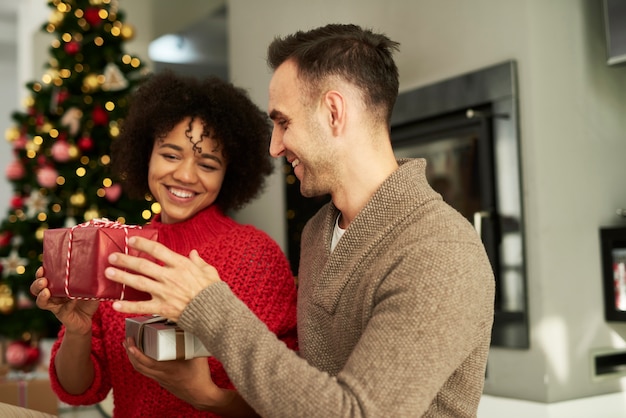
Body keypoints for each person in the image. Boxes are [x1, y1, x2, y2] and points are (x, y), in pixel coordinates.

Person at [104, 24, 495, 417]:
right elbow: (301, 392)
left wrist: (209, 305)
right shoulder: (317, 233)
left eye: (283, 122)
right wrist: (209, 396)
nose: (274, 147)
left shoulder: (441, 252)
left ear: (333, 112)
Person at [31, 71, 298, 417]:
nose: (186, 175)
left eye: (207, 163)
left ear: (229, 173)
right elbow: (77, 389)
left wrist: (207, 395)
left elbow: (288, 400)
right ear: (146, 155)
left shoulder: (255, 256)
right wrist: (77, 331)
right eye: (171, 155)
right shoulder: (117, 251)